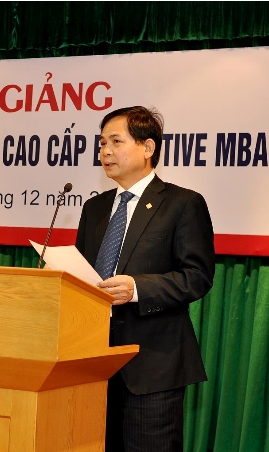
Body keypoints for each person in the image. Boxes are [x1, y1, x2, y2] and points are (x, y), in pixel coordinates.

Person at [75, 106, 215, 452]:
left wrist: (137, 288)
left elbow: (197, 276)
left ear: (147, 147)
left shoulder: (182, 204)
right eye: (102, 143)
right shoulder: (94, 209)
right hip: (93, 365)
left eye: (116, 142)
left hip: (153, 367)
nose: (105, 151)